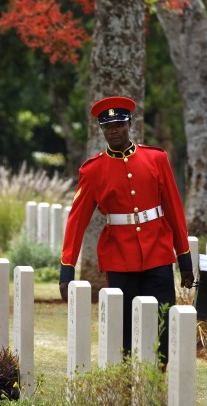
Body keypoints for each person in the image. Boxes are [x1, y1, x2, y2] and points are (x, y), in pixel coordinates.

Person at [59, 96, 194, 364]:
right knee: (124, 329)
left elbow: (175, 211)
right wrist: (67, 268)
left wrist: (185, 260)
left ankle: (158, 379)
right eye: (108, 127)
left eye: (119, 124)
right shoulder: (93, 170)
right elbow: (77, 220)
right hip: (120, 258)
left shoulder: (156, 159)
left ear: (129, 124)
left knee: (163, 323)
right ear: (102, 130)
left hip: (158, 253)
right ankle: (127, 381)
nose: (114, 131)